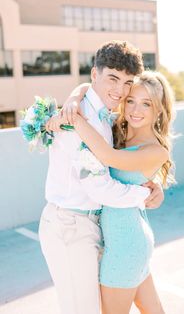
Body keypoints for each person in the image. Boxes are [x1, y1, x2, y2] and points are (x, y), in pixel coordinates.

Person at [40, 40, 164, 314]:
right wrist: (145, 194)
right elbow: (99, 188)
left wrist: (76, 93)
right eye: (113, 79)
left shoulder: (99, 114)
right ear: (95, 74)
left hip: (92, 225)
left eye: (127, 82)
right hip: (70, 226)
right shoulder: (80, 120)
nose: (120, 91)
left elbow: (85, 89)